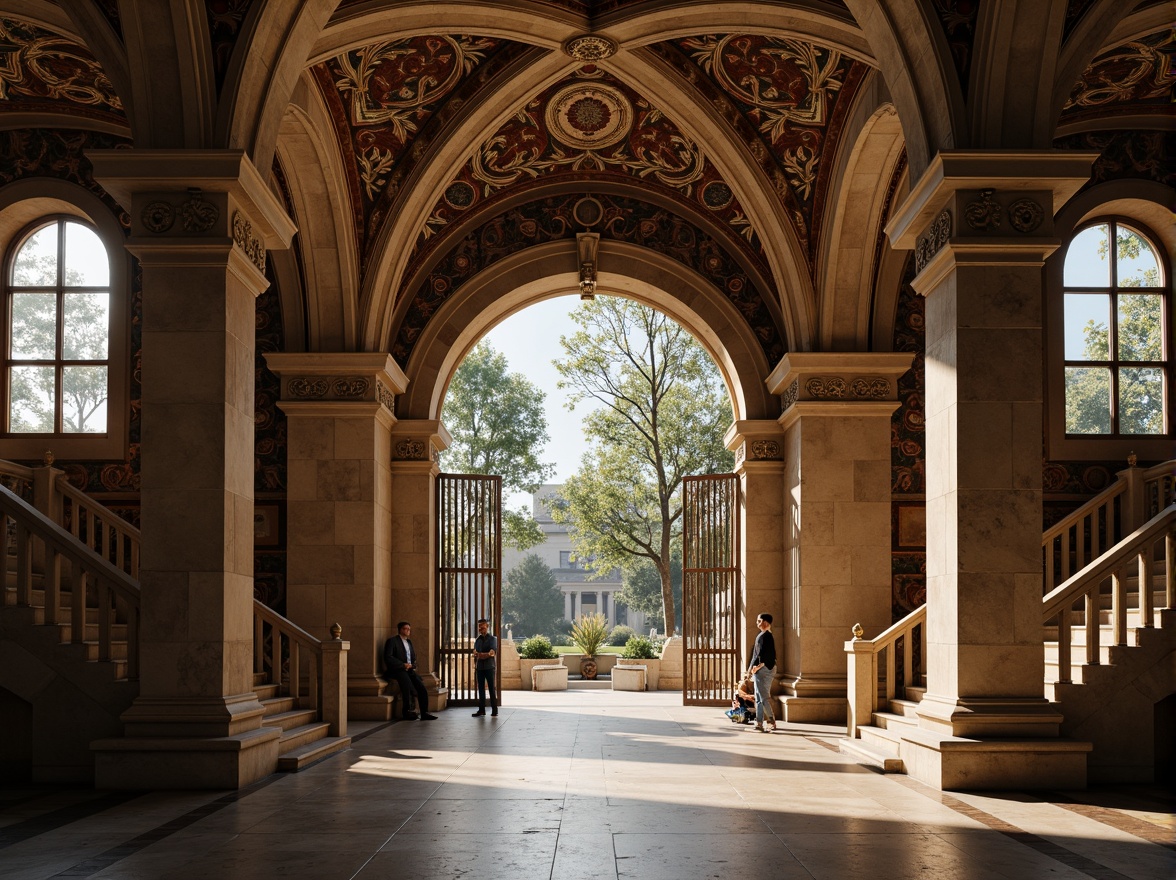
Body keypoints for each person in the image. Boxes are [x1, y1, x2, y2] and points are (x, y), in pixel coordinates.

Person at [383, 621, 437, 721]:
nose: (408, 631)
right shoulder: (392, 641)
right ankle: (406, 712)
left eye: (409, 629)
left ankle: (424, 713)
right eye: (405, 629)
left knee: (421, 687)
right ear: (400, 630)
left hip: (409, 670)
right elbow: (388, 657)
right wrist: (402, 665)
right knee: (406, 685)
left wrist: (412, 665)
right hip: (398, 670)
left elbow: (413, 658)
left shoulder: (409, 642)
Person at [747, 613, 776, 733]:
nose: (757, 623)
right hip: (766, 668)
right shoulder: (765, 636)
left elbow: (761, 655)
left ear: (765, 623)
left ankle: (769, 721)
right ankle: (761, 722)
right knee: (759, 697)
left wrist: (755, 668)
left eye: (759, 621)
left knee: (762, 697)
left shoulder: (765, 636)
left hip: (763, 669)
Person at [471, 618, 498, 717]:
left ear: (487, 626)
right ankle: (481, 710)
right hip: (480, 667)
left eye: (483, 626)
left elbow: (492, 653)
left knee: (491, 688)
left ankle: (494, 710)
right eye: (479, 626)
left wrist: (480, 655)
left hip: (489, 667)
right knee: (480, 689)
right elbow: (475, 653)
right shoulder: (477, 640)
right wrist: (484, 654)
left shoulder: (492, 639)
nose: (481, 628)